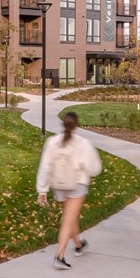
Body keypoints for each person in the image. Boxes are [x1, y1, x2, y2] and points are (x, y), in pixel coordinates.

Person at [36, 111, 102, 269]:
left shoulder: (52, 142)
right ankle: (59, 256)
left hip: (59, 184)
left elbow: (45, 167)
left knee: (70, 217)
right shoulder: (83, 143)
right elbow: (94, 168)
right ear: (76, 125)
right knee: (68, 219)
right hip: (76, 184)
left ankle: (78, 244)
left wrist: (42, 190)